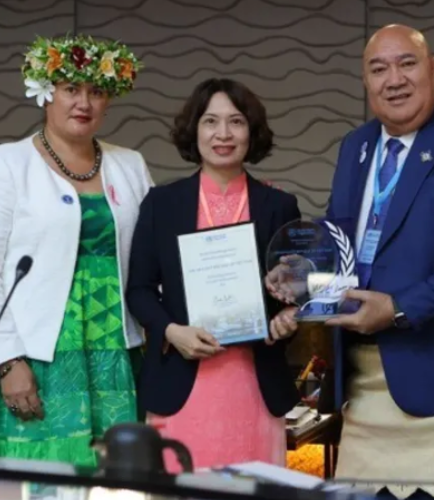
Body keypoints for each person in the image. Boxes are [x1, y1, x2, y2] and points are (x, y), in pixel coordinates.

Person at [268, 24, 434, 500]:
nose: (394, 79)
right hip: (368, 401)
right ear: (366, 83)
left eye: (406, 63)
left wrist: (397, 308)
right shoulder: (357, 147)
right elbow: (342, 240)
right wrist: (305, 276)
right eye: (378, 68)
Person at [0, 34, 151, 466]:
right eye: (70, 90)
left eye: (96, 92)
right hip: (34, 356)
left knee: (114, 480)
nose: (84, 103)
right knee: (37, 480)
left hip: (115, 355)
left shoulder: (130, 164)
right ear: (46, 95)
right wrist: (7, 362)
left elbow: (156, 256)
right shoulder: (4, 164)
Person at [126, 77, 302, 472]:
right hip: (181, 380)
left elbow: (292, 293)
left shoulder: (279, 205)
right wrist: (172, 331)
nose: (223, 134)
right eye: (210, 121)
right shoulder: (162, 204)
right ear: (194, 130)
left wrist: (290, 317)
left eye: (236, 122)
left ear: (251, 132)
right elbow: (138, 290)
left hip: (254, 383)